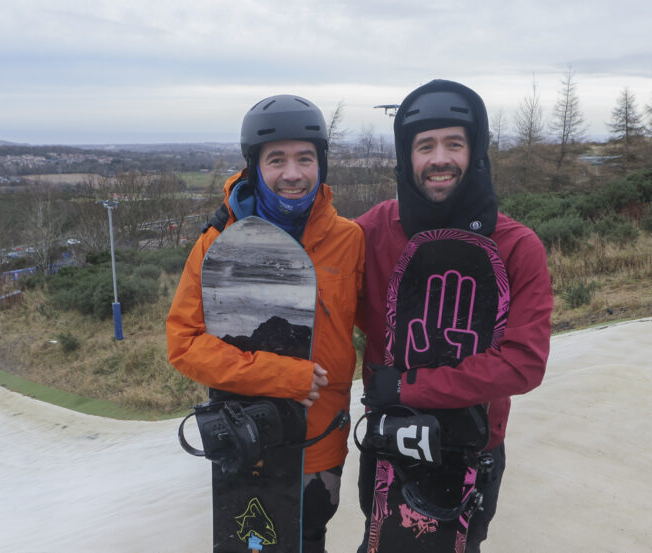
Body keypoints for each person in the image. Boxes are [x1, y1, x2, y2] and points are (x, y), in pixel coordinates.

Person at [355, 79, 554, 552]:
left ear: (476, 152)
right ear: (407, 157)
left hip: (473, 448)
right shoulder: (371, 232)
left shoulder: (517, 246)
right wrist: (242, 215)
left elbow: (523, 362)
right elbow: (313, 264)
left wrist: (408, 387)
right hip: (389, 445)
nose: (439, 158)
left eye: (454, 144)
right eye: (425, 145)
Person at [166, 94, 365, 553]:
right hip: (249, 436)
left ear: (322, 165)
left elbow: (381, 327)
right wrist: (281, 377)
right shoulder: (220, 241)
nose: (292, 173)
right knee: (256, 543)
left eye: (305, 159)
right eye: (277, 160)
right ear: (255, 166)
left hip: (321, 439)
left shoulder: (349, 240)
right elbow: (184, 343)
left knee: (311, 536)